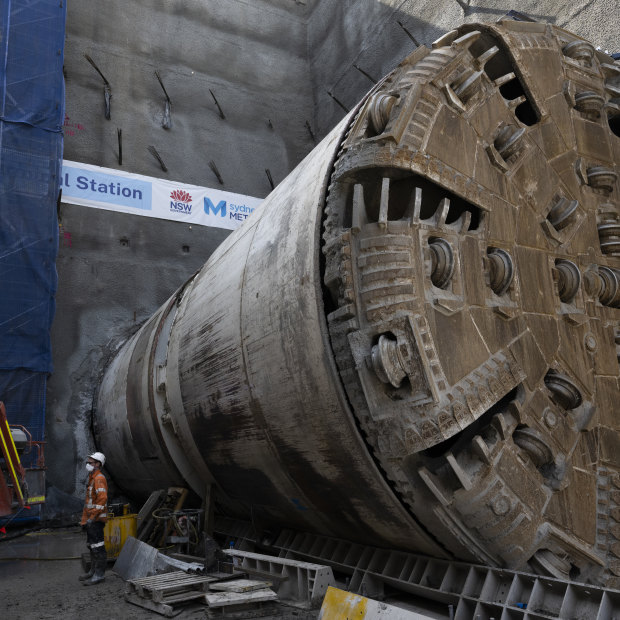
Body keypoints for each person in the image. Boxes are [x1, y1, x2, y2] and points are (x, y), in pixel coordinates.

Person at [78, 451, 108, 585]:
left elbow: (102, 500)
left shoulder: (99, 479)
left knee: (98, 547)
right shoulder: (92, 478)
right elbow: (89, 502)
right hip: (91, 520)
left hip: (96, 520)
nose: (87, 464)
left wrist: (92, 517)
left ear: (98, 464)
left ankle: (99, 574)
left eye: (90, 463)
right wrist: (85, 520)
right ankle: (92, 571)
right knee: (91, 546)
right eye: (87, 462)